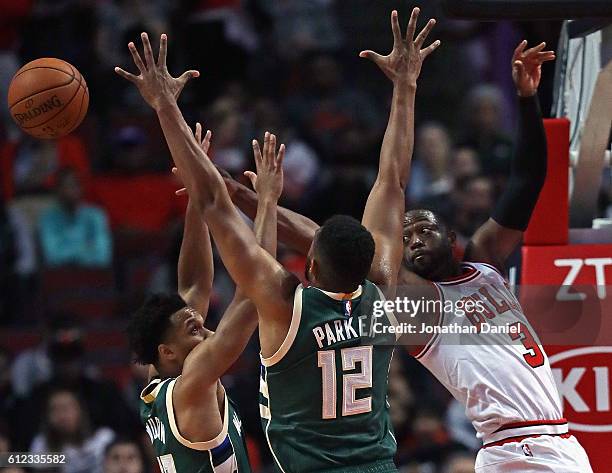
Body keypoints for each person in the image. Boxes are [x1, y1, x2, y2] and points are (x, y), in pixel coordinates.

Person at [115, 7, 439, 472]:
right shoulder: (382, 288)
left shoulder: (286, 305)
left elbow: (210, 203)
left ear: (308, 265)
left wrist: (164, 106)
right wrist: (406, 87)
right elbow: (393, 181)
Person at [398, 41, 594, 472]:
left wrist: (527, 99)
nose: (413, 239)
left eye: (423, 228)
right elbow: (336, 242)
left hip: (560, 439)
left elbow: (527, 179)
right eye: (404, 236)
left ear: (451, 236)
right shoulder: (418, 304)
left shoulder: (483, 260)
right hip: (512, 447)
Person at [126, 123, 284, 472]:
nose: (202, 322)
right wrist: (267, 204)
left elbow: (194, 284)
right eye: (193, 329)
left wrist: (196, 201)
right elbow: (252, 294)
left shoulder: (160, 372)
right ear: (169, 352)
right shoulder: (192, 383)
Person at [38, 167, 112, 268]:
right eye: (65, 186)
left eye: (75, 185)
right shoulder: (48, 219)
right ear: (57, 190)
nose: (71, 190)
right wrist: (85, 248)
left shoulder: (95, 216)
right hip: (62, 277)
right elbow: (52, 257)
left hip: (93, 276)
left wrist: (67, 251)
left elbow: (102, 255)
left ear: (81, 188)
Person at [30, 388, 115, 473]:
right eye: (55, 410)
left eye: (66, 408)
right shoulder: (42, 445)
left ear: (80, 410)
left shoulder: (104, 439)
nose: (62, 416)